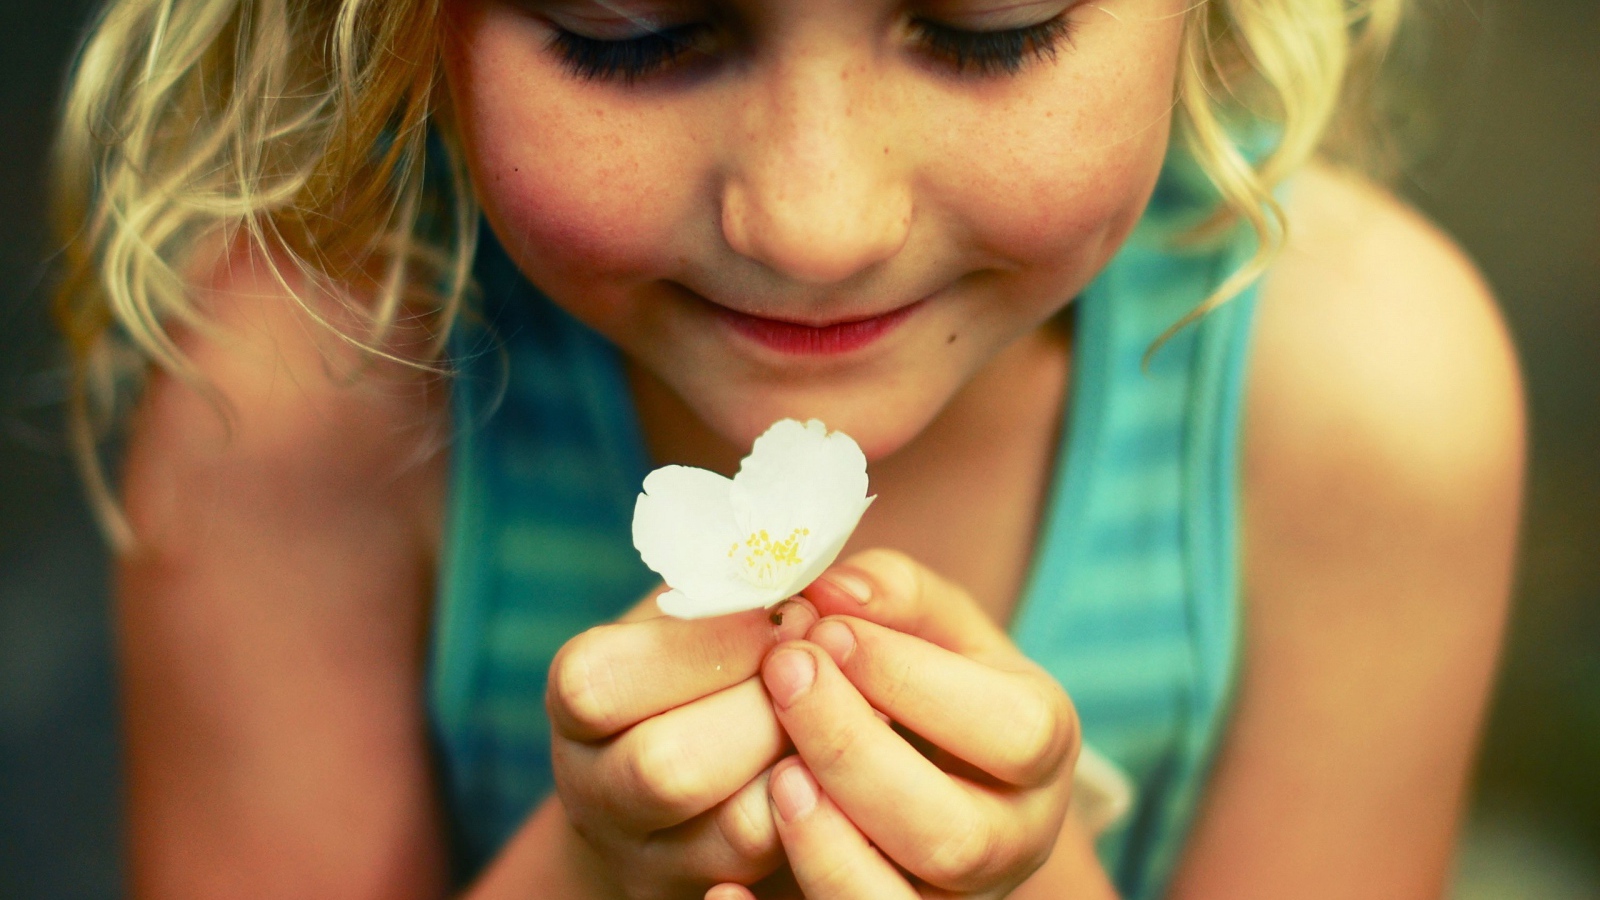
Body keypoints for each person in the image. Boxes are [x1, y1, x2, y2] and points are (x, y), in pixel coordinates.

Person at [51, 0, 1525, 897]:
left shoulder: (1365, 399)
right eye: (629, 30)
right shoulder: (304, 391)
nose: (817, 221)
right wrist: (593, 871)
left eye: (993, 24)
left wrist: (1020, 879)